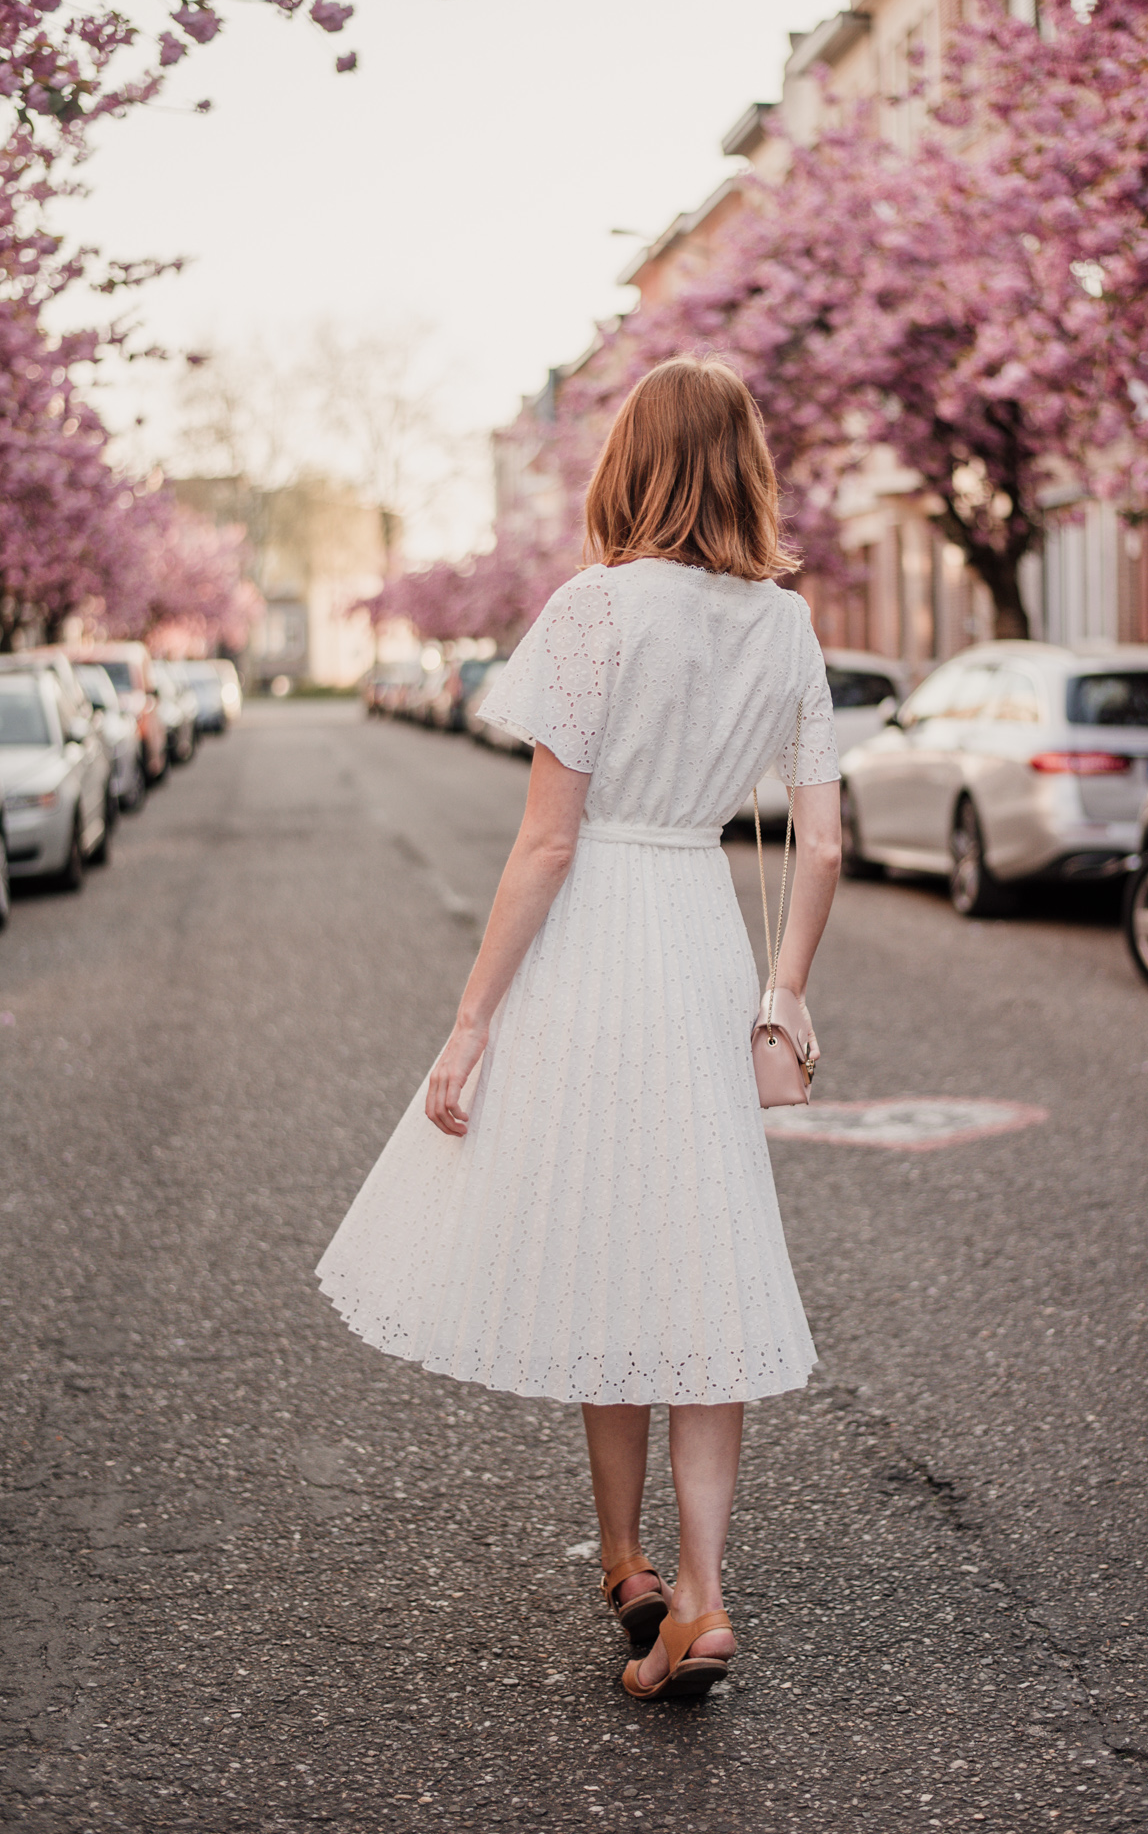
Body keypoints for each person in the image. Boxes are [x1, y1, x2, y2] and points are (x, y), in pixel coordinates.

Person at [317, 355, 842, 1699]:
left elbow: (547, 844)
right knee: (701, 1254)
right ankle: (702, 1592)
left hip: (598, 936)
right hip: (701, 940)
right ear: (744, 471)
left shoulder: (597, 611)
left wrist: (469, 1021)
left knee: (611, 1242)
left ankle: (625, 1560)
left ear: (630, 466)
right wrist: (781, 992)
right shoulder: (782, 625)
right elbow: (825, 844)